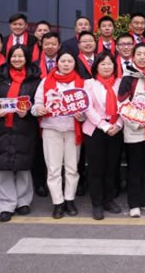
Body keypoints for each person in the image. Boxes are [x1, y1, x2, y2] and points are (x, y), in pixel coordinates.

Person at [0, 45, 41, 223]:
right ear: (9, 58)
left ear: (27, 58)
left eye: (20, 56)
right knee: (3, 167)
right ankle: (6, 205)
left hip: (25, 128)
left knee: (24, 166)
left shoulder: (35, 80)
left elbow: (39, 103)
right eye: (14, 56)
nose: (17, 59)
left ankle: (23, 202)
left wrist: (29, 111)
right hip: (3, 128)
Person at [31, 51, 86, 219]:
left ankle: (70, 200)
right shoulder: (46, 81)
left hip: (72, 130)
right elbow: (36, 105)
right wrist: (38, 110)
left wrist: (81, 116)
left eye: (70, 61)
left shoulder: (81, 83)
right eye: (63, 61)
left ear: (74, 64)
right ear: (57, 63)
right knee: (53, 168)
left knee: (72, 168)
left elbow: (86, 109)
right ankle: (58, 202)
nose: (66, 64)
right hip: (51, 129)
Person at [117, 42, 145, 218]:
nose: (142, 57)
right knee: (135, 169)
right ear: (133, 57)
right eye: (139, 54)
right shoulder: (128, 78)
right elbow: (122, 104)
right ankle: (134, 203)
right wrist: (138, 121)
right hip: (134, 131)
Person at [82, 52, 124, 220]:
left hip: (116, 129)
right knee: (96, 169)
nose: (107, 67)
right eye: (103, 64)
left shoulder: (120, 83)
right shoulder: (89, 84)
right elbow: (88, 108)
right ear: (96, 67)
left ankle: (109, 200)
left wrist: (118, 124)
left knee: (111, 167)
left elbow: (126, 105)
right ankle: (97, 204)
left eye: (110, 64)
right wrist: (104, 126)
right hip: (95, 130)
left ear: (115, 66)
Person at [32, 31, 62, 198]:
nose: (50, 47)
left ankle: (59, 185)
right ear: (41, 45)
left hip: (60, 117)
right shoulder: (34, 66)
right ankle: (40, 183)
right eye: (47, 44)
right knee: (38, 151)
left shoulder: (66, 63)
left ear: (59, 46)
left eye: (53, 44)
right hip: (39, 114)